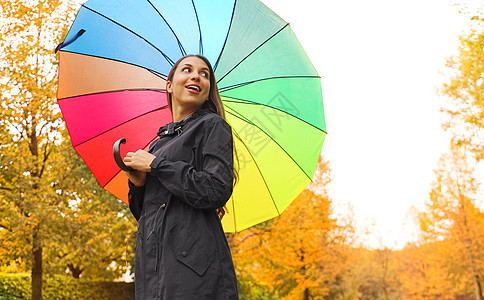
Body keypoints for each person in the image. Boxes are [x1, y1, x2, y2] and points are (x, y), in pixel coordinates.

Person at [123, 54, 239, 299]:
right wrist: (138, 184)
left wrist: (158, 166)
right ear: (169, 85)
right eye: (187, 70)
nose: (196, 75)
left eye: (204, 74)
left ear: (207, 92)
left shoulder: (212, 126)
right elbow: (145, 215)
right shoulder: (157, 145)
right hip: (154, 270)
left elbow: (216, 189)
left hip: (195, 273)